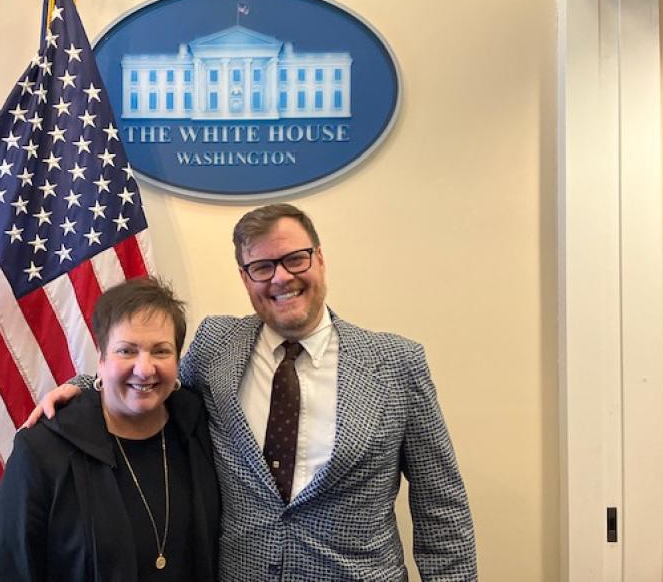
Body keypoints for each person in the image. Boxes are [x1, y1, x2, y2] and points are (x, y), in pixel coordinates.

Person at [28, 203, 477, 581]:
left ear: (319, 259)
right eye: (262, 267)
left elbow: (441, 507)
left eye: (295, 259)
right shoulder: (216, 345)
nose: (280, 278)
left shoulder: (396, 364)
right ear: (245, 278)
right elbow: (155, 378)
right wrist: (85, 384)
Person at [0, 277, 220, 581]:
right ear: (100, 358)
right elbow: (12, 569)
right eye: (127, 351)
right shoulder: (43, 450)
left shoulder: (199, 425)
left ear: (178, 360)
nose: (145, 369)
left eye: (161, 351)